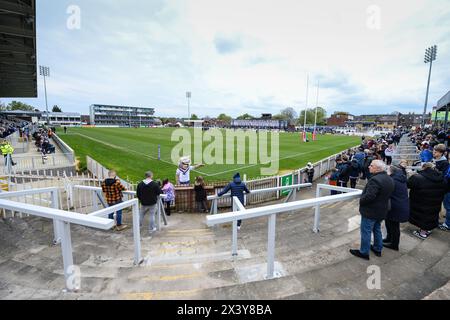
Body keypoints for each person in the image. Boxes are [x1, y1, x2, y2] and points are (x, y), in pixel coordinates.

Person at [350, 160, 395, 260]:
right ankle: (378, 248)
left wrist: (361, 201)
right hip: (382, 210)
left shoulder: (375, 180)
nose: (369, 167)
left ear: (378, 168)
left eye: (371, 165)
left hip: (371, 211)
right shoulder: (389, 178)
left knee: (366, 231)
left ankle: (364, 252)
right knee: (377, 229)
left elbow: (369, 196)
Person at [408, 162, 447, 240]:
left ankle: (423, 234)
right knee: (432, 214)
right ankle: (428, 229)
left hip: (420, 201)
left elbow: (408, 184)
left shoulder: (417, 177)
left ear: (423, 168)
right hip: (435, 202)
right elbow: (445, 188)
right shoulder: (441, 178)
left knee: (423, 216)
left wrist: (410, 175)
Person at [384, 165, 410, 251]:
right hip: (397, 205)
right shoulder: (399, 178)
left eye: (387, 170)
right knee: (389, 223)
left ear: (391, 171)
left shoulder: (393, 180)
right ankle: (389, 238)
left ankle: (394, 244)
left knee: (394, 226)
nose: (386, 171)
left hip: (395, 206)